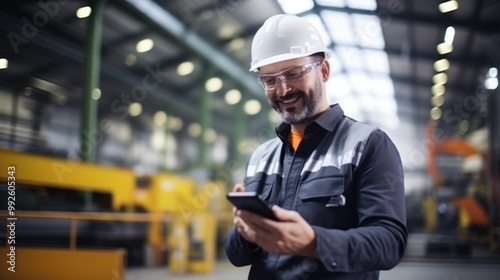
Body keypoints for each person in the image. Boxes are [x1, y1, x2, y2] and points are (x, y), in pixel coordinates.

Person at [224, 14, 407, 280]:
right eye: (270, 80)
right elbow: (236, 256)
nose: (283, 89)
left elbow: (389, 243)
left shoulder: (367, 145)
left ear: (323, 70)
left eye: (293, 73)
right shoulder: (261, 157)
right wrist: (245, 232)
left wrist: (314, 242)